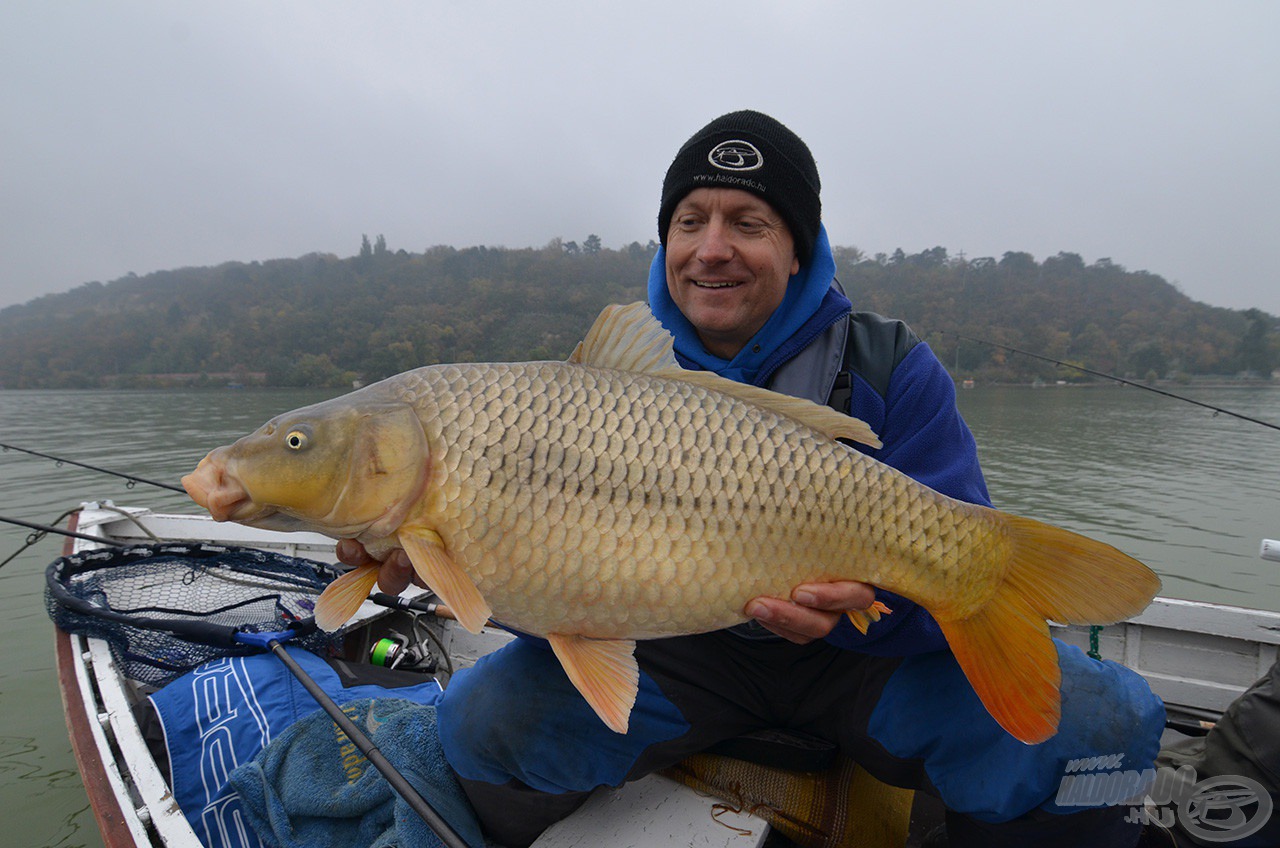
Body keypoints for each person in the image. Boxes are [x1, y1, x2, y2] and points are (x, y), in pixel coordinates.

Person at [340, 110, 1166, 847]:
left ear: (797, 246)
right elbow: (564, 582)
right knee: (486, 721)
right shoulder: (589, 390)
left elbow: (948, 593)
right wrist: (454, 571)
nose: (712, 248)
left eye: (749, 222)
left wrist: (853, 620)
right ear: (664, 243)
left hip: (862, 659)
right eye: (690, 220)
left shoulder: (888, 366)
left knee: (1100, 726)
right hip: (685, 654)